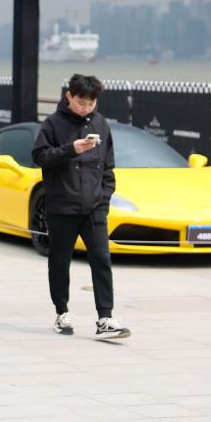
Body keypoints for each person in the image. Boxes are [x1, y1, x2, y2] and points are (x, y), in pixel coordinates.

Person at [32, 74, 130, 340]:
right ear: (69, 96)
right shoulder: (52, 124)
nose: (86, 108)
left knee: (101, 259)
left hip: (94, 208)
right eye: (81, 102)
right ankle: (62, 312)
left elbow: (108, 167)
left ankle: (105, 318)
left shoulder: (101, 124)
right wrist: (70, 149)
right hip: (61, 207)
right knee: (60, 261)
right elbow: (39, 157)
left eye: (91, 103)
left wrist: (104, 199)